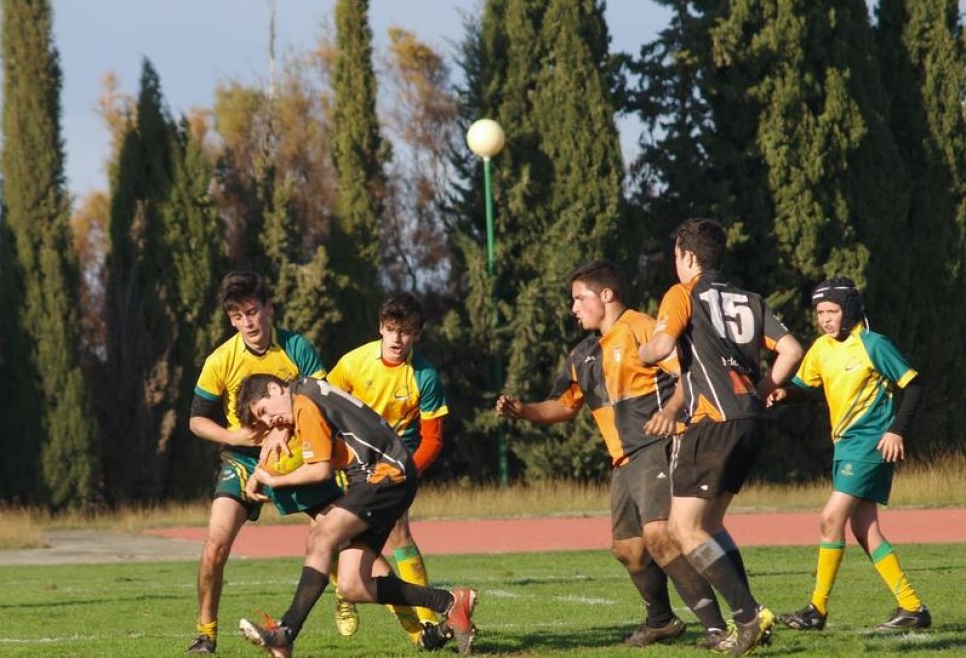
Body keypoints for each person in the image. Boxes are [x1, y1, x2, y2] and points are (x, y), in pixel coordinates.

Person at [495, 260, 729, 648]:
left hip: (656, 447)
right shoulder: (583, 354)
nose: (573, 308)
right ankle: (662, 621)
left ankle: (717, 626)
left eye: (578, 298)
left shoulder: (640, 327)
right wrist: (523, 411)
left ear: (606, 295)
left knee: (659, 535)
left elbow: (689, 373)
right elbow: (564, 407)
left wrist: (671, 412)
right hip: (623, 461)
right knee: (628, 549)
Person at [638, 218, 804, 656]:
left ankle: (749, 615)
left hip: (711, 421)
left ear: (688, 257)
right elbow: (792, 350)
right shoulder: (750, 299)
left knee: (684, 528)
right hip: (751, 420)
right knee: (709, 525)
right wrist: (764, 390)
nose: (675, 264)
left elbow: (658, 349)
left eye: (676, 255)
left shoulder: (683, 294)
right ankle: (750, 616)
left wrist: (643, 351)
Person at [235, 375, 478, 658]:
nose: (270, 421)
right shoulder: (307, 391)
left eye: (264, 411)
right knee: (351, 585)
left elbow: (319, 471)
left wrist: (271, 480)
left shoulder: (303, 401)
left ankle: (285, 634)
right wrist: (274, 445)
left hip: (386, 475)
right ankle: (450, 602)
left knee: (321, 535)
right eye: (263, 421)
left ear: (275, 388)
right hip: (379, 479)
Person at [185, 271, 342, 654]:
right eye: (237, 316)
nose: (247, 323)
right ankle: (206, 635)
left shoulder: (296, 347)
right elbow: (196, 420)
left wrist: (283, 433)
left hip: (295, 458)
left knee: (341, 533)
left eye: (253, 312)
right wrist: (233, 436)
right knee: (214, 546)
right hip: (241, 461)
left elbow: (322, 399)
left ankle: (414, 626)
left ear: (269, 308)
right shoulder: (220, 359)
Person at [767, 278, 931, 632]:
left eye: (832, 311)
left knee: (830, 519)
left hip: (870, 444)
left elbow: (914, 385)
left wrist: (896, 430)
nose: (825, 319)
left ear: (849, 310)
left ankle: (817, 609)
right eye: (820, 312)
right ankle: (912, 607)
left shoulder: (872, 344)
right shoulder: (822, 348)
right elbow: (802, 385)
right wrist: (783, 394)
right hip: (845, 446)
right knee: (864, 528)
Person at [325, 293, 450, 649]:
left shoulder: (424, 377)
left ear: (417, 335)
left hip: (396, 462)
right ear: (381, 328)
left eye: (406, 332)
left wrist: (403, 473)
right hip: (349, 461)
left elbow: (433, 440)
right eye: (392, 330)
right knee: (326, 533)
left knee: (399, 535)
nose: (397, 339)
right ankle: (343, 592)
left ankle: (425, 623)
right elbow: (324, 407)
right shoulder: (353, 363)